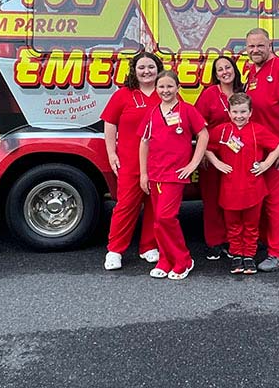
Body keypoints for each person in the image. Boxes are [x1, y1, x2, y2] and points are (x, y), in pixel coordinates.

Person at [139, 70, 209, 280]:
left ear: (178, 88)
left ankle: (183, 259)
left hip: (175, 174)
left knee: (166, 217)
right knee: (158, 221)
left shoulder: (187, 110)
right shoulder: (152, 113)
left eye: (170, 86)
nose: (165, 90)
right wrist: (144, 174)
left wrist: (193, 163)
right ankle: (165, 259)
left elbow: (203, 134)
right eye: (161, 87)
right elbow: (144, 142)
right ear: (156, 89)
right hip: (155, 173)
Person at [244, 28, 279, 272]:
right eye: (251, 47)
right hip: (260, 149)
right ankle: (266, 243)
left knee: (276, 203)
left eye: (260, 45)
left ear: (270, 45)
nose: (255, 50)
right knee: (261, 198)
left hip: (278, 149)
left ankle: (278, 252)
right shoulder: (252, 71)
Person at [206, 93, 279, 274]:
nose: (239, 116)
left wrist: (265, 165)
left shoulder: (258, 130)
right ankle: (236, 255)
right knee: (232, 225)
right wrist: (217, 163)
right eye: (235, 112)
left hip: (253, 188)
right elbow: (206, 146)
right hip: (230, 188)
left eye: (243, 112)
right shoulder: (222, 130)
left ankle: (249, 255)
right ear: (229, 112)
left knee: (251, 225)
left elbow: (278, 145)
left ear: (250, 112)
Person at [101, 51, 164, 271]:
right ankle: (115, 250)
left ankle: (148, 246)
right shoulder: (123, 95)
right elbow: (110, 123)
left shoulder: (165, 92)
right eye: (142, 68)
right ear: (134, 71)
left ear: (158, 69)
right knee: (126, 206)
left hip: (159, 163)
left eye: (151, 67)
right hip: (130, 162)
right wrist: (111, 153)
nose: (147, 71)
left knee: (155, 207)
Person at [194, 55, 244, 260]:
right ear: (215, 75)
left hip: (237, 156)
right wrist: (202, 151)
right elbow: (197, 124)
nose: (225, 72)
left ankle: (234, 241)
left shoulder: (243, 93)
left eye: (228, 67)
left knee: (234, 199)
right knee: (212, 199)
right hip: (212, 155)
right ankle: (214, 242)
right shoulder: (209, 94)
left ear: (234, 70)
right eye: (220, 69)